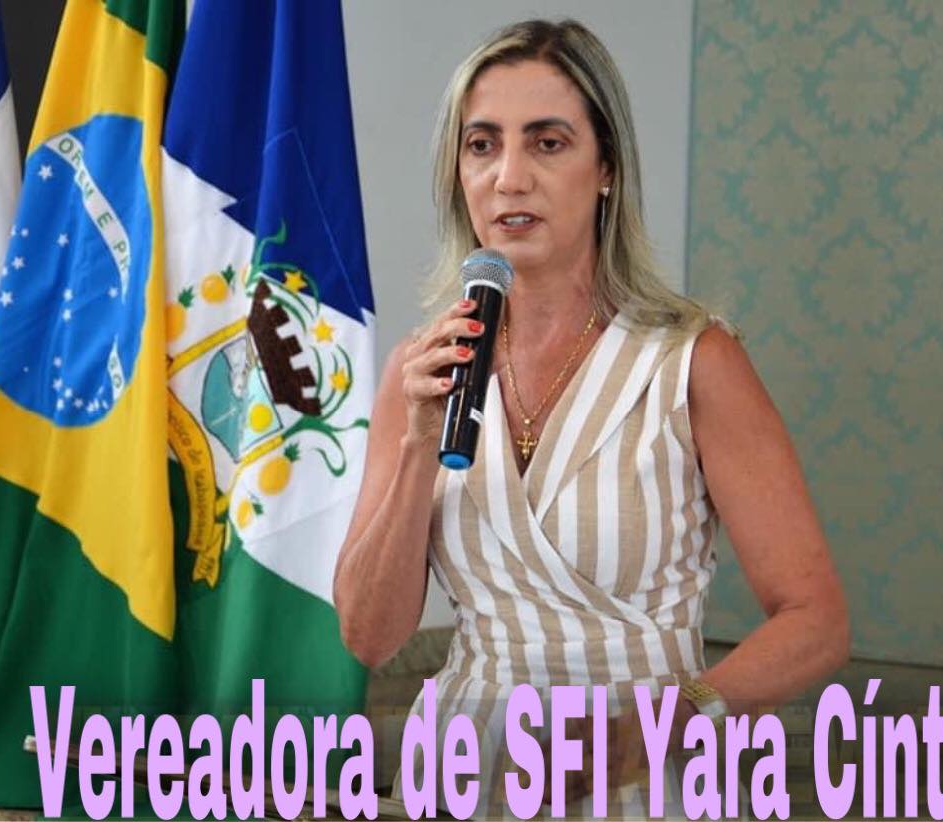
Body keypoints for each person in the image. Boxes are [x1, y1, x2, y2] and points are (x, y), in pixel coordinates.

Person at [333, 18, 849, 817]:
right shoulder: (423, 369)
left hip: (644, 772)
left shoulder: (694, 362)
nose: (509, 178)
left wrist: (669, 722)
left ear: (606, 167)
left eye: (547, 143)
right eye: (482, 145)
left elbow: (816, 621)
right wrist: (416, 448)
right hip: (462, 775)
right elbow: (370, 637)